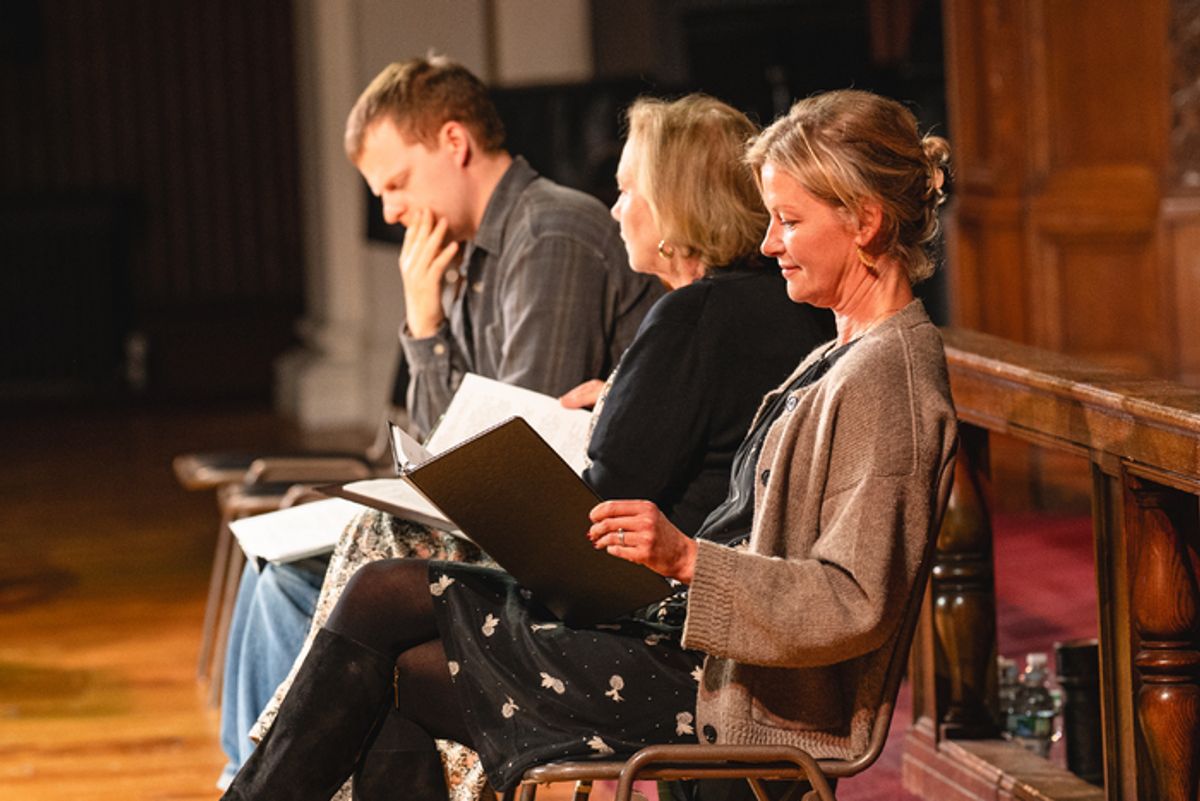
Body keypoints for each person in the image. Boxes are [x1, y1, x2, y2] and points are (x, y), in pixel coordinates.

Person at [220, 88, 958, 801]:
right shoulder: (843, 350)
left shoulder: (887, 378)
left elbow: (854, 600)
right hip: (694, 642)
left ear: (863, 221)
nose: (768, 244)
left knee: (390, 643)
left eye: (789, 222)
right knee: (383, 602)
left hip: (727, 687)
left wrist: (688, 559)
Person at [217, 55, 662, 788]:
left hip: (558, 544)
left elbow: (507, 452)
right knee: (272, 574)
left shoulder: (549, 233)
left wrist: (424, 330)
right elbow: (438, 448)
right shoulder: (466, 256)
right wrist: (426, 318)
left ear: (454, 142)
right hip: (485, 521)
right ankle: (252, 776)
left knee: (301, 589)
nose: (390, 210)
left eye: (395, 183)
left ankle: (265, 781)